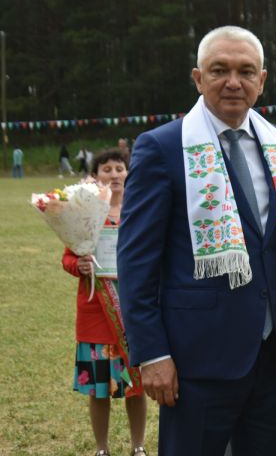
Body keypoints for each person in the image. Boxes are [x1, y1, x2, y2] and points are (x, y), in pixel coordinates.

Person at [117, 25, 276, 455]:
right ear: (197, 78)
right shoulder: (161, 148)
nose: (233, 82)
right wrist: (151, 354)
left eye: (246, 71)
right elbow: (136, 263)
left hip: (272, 355)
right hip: (196, 357)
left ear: (262, 81)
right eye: (219, 70)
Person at [62, 148, 147, 456]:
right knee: (98, 390)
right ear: (96, 177)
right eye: (106, 169)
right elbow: (68, 257)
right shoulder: (85, 215)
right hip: (96, 315)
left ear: (128, 174)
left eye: (119, 169)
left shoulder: (140, 210)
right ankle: (102, 449)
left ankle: (138, 446)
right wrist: (79, 266)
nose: (113, 174)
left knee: (137, 388)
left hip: (135, 313)